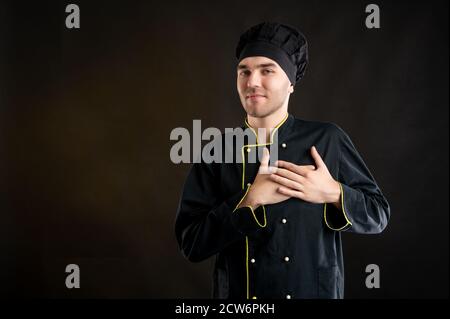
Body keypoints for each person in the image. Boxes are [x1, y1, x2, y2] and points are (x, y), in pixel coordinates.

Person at [175, 22, 390, 299]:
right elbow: (192, 244)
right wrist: (249, 200)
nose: (252, 81)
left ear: (290, 83)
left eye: (267, 70)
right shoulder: (217, 150)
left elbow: (378, 214)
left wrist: (332, 192)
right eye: (244, 71)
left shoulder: (327, 139)